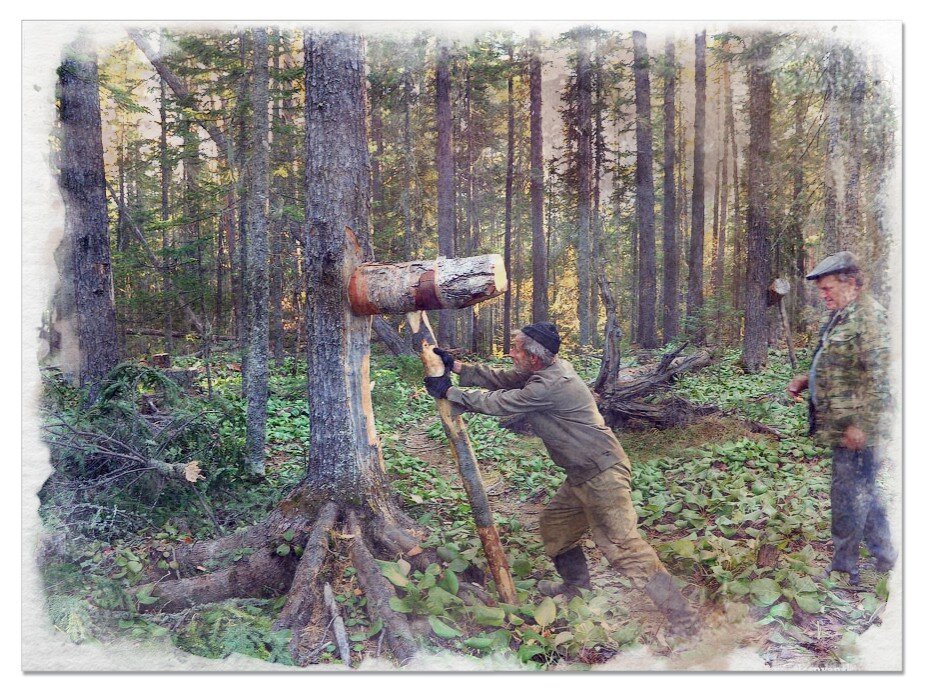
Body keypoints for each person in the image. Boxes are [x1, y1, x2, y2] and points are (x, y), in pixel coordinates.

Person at [423, 321, 700, 637]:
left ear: (535, 359)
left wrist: (449, 392)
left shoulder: (551, 386)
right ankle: (576, 589)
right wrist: (456, 367)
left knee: (624, 548)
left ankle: (685, 621)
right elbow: (505, 379)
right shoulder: (545, 370)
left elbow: (501, 402)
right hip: (582, 474)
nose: (510, 353)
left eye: (515, 349)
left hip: (602, 474)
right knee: (556, 527)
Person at [786, 251, 896, 585]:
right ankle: (886, 555)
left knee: (848, 494)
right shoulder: (843, 314)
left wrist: (859, 424)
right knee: (865, 490)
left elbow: (886, 378)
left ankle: (844, 568)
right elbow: (835, 359)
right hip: (846, 426)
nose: (824, 295)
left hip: (860, 428)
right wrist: (808, 379)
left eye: (828, 288)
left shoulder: (870, 318)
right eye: (821, 290)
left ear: (849, 282)